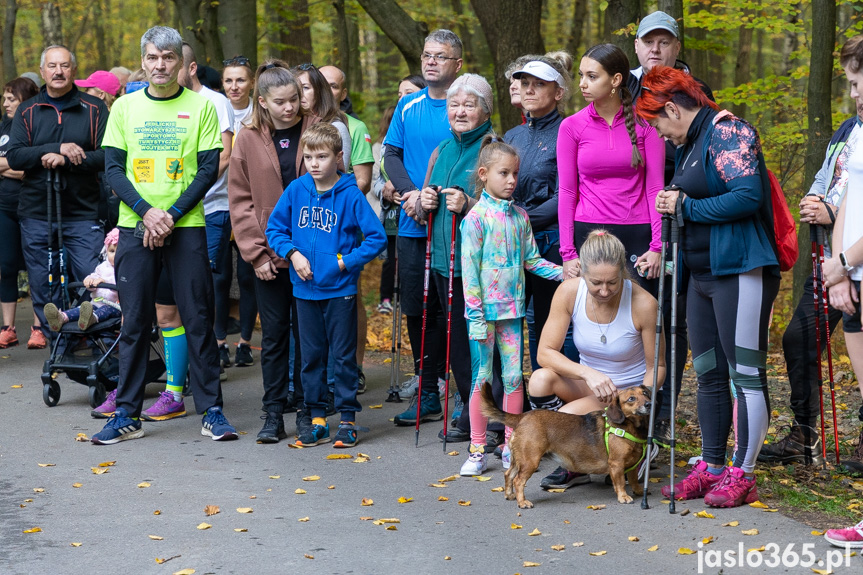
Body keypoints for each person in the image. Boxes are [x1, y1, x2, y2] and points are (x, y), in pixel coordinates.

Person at [637, 65, 780, 507]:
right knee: (709, 375)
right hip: (699, 277)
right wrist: (673, 204)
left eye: (657, 122)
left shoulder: (727, 131)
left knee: (746, 375)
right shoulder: (692, 142)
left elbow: (747, 194)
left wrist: (687, 206)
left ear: (674, 108)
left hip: (739, 270)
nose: (658, 133)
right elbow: (691, 199)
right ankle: (713, 464)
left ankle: (745, 472)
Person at [91, 25, 237, 444]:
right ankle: (126, 415)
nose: (160, 65)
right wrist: (147, 213)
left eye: (168, 58)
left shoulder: (203, 106)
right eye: (153, 57)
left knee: (197, 318)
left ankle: (211, 411)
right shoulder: (124, 108)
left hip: (186, 225)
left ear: (181, 63)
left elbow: (209, 168)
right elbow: (113, 169)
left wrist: (169, 215)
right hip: (136, 225)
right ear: (143, 61)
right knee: (134, 321)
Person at [760, 37, 863, 467]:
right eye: (850, 85)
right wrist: (815, 201)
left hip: (850, 255)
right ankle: (803, 434)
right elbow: (827, 178)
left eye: (857, 83)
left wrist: (832, 210)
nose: (853, 94)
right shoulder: (846, 131)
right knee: (798, 337)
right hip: (831, 255)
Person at [265, 122, 386, 448]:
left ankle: (347, 419)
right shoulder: (296, 190)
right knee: (311, 358)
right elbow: (275, 229)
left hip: (340, 291)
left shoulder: (350, 194)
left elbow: (376, 238)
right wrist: (292, 254)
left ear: (338, 157)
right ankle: (317, 418)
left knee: (343, 358)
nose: (314, 163)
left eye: (321, 156)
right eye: (308, 157)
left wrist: (344, 262)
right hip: (304, 290)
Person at [629, 10, 714, 442]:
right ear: (638, 46)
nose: (656, 49)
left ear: (677, 48)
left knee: (672, 320)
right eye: (649, 42)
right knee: (637, 320)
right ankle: (629, 415)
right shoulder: (623, 87)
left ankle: (661, 416)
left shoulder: (695, 93)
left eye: (664, 42)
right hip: (632, 214)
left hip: (680, 216)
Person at [458, 136, 563, 475]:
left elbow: (532, 261)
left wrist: (566, 273)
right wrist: (474, 315)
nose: (512, 181)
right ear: (484, 174)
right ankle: (477, 448)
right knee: (483, 379)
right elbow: (469, 273)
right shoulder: (474, 220)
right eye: (504, 173)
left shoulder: (520, 217)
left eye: (515, 173)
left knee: (515, 378)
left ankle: (510, 444)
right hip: (483, 316)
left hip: (513, 314)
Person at [527, 230, 664, 486]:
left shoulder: (644, 303)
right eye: (595, 283)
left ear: (623, 271)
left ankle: (636, 444)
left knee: (565, 419)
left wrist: (641, 401)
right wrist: (587, 373)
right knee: (540, 379)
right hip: (591, 386)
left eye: (612, 282)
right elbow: (545, 352)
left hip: (626, 396)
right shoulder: (569, 291)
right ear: (582, 272)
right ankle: (578, 462)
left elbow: (657, 366)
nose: (604, 291)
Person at [229, 60, 318, 443]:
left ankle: (307, 410)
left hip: (312, 254)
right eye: (280, 101)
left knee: (310, 336)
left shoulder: (317, 130)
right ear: (262, 102)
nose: (289, 107)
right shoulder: (246, 138)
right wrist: (257, 254)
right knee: (277, 336)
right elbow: (241, 200)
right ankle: (273, 413)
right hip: (268, 257)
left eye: (294, 99)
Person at [383, 29, 464, 425]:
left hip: (454, 228)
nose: (431, 61)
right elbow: (391, 155)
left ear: (457, 65)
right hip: (414, 225)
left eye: (441, 56)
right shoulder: (408, 105)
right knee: (418, 309)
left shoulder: (464, 105)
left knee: (456, 309)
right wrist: (410, 194)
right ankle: (427, 390)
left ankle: (466, 393)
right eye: (427, 55)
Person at [412, 73, 495, 443]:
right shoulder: (441, 150)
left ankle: (494, 421)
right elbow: (419, 208)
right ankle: (471, 411)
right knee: (457, 342)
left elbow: (506, 210)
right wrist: (423, 202)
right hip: (445, 263)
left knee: (482, 343)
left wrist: (471, 204)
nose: (460, 111)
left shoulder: (493, 149)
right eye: (454, 104)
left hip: (480, 266)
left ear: (485, 109)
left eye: (469, 104)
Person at [6, 45, 109, 343]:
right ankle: (59, 345)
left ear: (74, 71)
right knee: (41, 283)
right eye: (52, 66)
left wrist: (67, 161)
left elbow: (107, 157)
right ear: (42, 71)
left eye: (64, 66)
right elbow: (15, 157)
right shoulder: (27, 110)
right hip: (37, 211)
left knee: (91, 279)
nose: (58, 71)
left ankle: (92, 340)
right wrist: (55, 149)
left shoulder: (94, 108)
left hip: (83, 211)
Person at [557, 43, 664, 293]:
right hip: (588, 233)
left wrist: (658, 246)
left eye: (592, 76)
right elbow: (567, 191)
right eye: (581, 75)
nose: (582, 83)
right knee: (594, 317)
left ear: (616, 79)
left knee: (641, 317)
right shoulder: (571, 127)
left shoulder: (647, 125)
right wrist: (568, 253)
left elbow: (655, 187)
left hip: (638, 233)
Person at [177, 42, 254, 370]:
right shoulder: (176, 103)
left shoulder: (215, 102)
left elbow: (223, 155)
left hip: (223, 202)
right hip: (191, 207)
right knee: (212, 279)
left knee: (242, 275)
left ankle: (241, 342)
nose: (234, 86)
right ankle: (215, 345)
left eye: (241, 80)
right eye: (229, 79)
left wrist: (193, 192)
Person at [505, 54, 572, 371]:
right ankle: (517, 401)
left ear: (558, 92)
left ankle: (555, 404)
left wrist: (518, 220)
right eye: (525, 83)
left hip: (551, 245)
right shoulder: (513, 136)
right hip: (510, 246)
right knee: (510, 325)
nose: (528, 90)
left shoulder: (568, 132)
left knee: (550, 326)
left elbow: (566, 196)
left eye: (539, 84)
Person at [820, 36, 863, 475]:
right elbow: (849, 199)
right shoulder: (860, 130)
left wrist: (845, 262)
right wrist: (839, 272)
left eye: (856, 82)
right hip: (851, 274)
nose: (852, 94)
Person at [377, 75, 427, 315]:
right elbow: (380, 173)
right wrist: (386, 188)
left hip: (425, 213)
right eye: (399, 94)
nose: (402, 99)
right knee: (395, 264)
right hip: (396, 215)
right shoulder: (393, 135)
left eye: (408, 93)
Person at [0, 77, 42, 349]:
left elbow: (32, 170)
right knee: (6, 267)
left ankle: (39, 328)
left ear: (25, 101)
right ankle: (8, 328)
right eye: (4, 99)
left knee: (38, 268)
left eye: (11, 99)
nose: (5, 104)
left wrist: (5, 165)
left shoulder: (36, 127)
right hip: (4, 207)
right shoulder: (3, 126)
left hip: (33, 207)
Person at [44, 228, 121, 331]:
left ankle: (92, 319)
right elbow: (94, 276)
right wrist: (90, 281)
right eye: (112, 251)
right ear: (106, 252)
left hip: (116, 307)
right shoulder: (102, 267)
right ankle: (60, 317)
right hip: (95, 304)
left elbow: (126, 288)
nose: (115, 255)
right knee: (81, 309)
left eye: (119, 251)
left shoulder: (125, 269)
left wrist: (104, 282)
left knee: (105, 310)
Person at [294, 63, 352, 171]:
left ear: (319, 91)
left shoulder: (336, 127)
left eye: (305, 87)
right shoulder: (292, 124)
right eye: (295, 88)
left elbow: (338, 175)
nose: (299, 93)